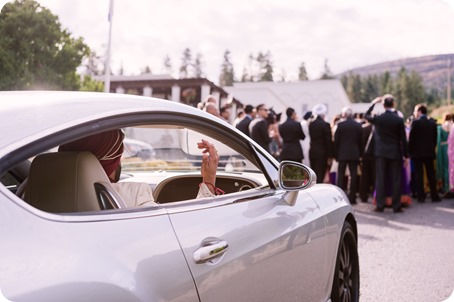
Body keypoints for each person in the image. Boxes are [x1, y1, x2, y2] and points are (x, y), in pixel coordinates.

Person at [58, 129, 220, 206]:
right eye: (118, 153)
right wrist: (209, 180)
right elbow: (180, 237)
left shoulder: (38, 195)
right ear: (109, 159)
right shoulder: (133, 194)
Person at [365, 95, 409, 213]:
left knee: (380, 178)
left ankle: (380, 205)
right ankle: (396, 205)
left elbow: (366, 116)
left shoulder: (378, 118)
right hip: (395, 152)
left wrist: (373, 102)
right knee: (396, 179)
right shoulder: (398, 119)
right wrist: (405, 155)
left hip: (380, 152)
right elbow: (403, 139)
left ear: (383, 105)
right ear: (393, 104)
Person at [408, 104, 441, 203]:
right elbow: (435, 138)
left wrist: (410, 151)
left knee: (419, 175)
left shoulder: (415, 123)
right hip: (429, 152)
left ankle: (421, 196)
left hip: (417, 154)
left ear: (419, 111)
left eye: (415, 111)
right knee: (431, 174)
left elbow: (411, 139)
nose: (414, 113)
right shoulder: (432, 123)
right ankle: (434, 195)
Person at [334, 107, 363, 204]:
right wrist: (361, 154)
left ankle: (340, 197)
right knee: (354, 175)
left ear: (344, 115)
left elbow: (336, 142)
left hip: (342, 153)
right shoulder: (358, 125)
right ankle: (352, 197)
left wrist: (335, 154)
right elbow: (361, 142)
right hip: (354, 153)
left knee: (341, 175)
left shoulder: (340, 125)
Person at [309, 103, 333, 183]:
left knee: (314, 171)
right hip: (322, 152)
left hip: (312, 151)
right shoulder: (325, 125)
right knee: (320, 172)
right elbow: (328, 141)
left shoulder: (311, 124)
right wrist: (330, 155)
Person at [436, 112, 453, 197]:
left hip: (444, 147)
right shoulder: (452, 125)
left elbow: (438, 139)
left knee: (446, 168)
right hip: (451, 147)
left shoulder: (441, 127)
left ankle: (446, 186)